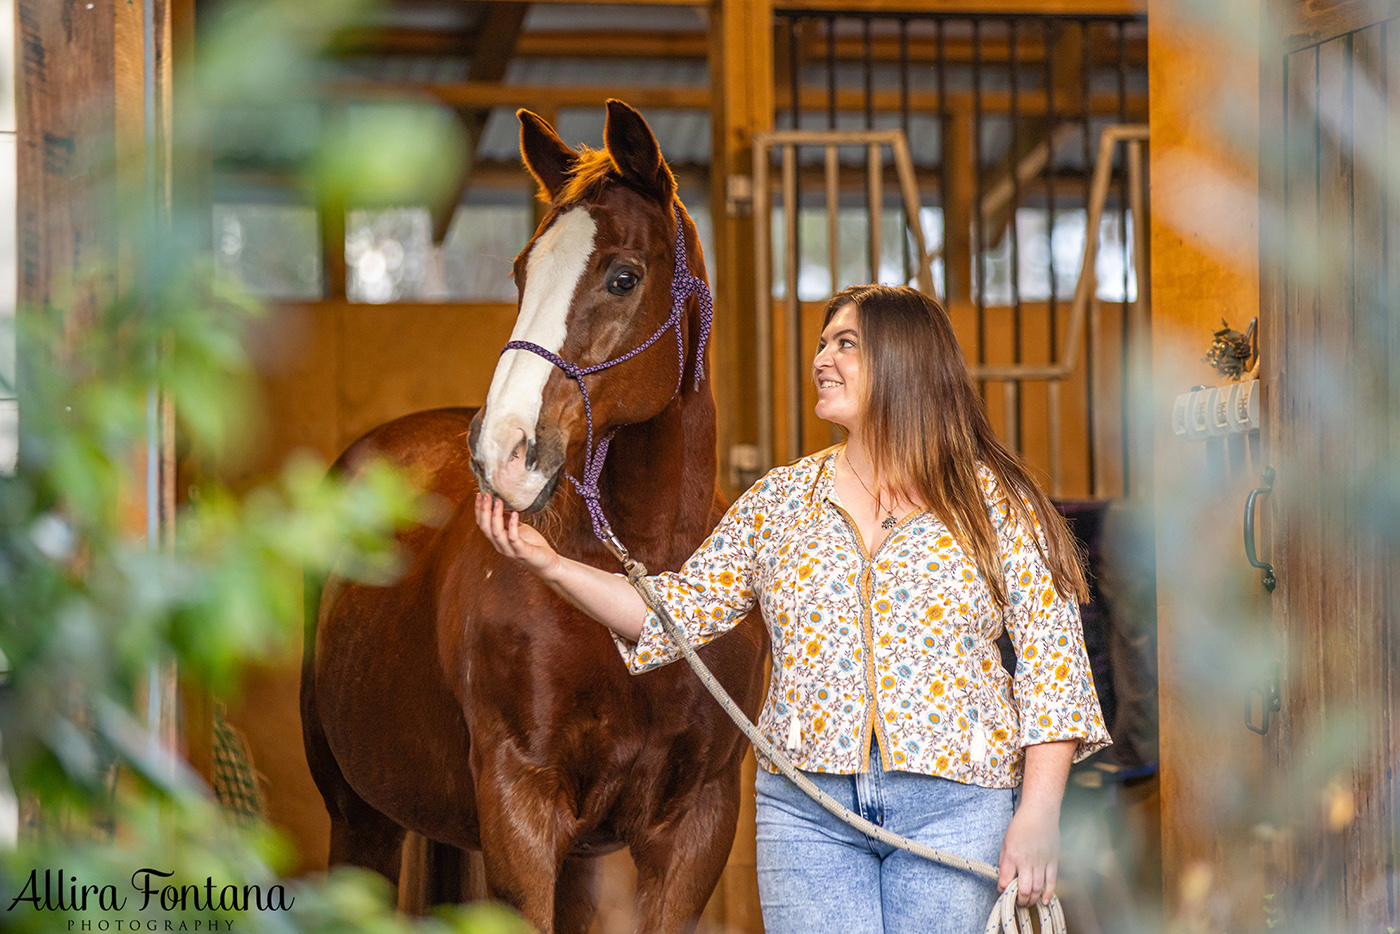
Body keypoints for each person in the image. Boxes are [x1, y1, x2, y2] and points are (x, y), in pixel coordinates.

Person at [476, 284, 1110, 934]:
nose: (821, 359)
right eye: (820, 343)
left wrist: (1037, 815)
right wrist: (547, 561)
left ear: (907, 359)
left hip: (958, 809)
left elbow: (1053, 670)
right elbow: (673, 616)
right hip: (808, 813)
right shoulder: (779, 501)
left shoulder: (996, 503)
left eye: (846, 344)